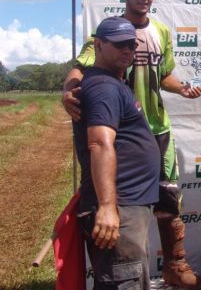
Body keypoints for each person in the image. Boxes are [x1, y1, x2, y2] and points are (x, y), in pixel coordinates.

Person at [63, 0, 201, 288]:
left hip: (157, 126)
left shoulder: (161, 31)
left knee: (169, 199)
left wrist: (182, 88)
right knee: (124, 200)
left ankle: (174, 265)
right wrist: (67, 91)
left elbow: (164, 74)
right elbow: (79, 68)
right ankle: (125, 268)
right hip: (120, 129)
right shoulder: (109, 32)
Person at [74, 17, 161, 290]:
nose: (127, 50)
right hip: (119, 207)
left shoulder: (113, 82)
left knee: (129, 276)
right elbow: (100, 144)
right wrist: (107, 207)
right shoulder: (104, 87)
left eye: (131, 45)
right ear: (98, 45)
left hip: (127, 205)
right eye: (119, 44)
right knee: (124, 280)